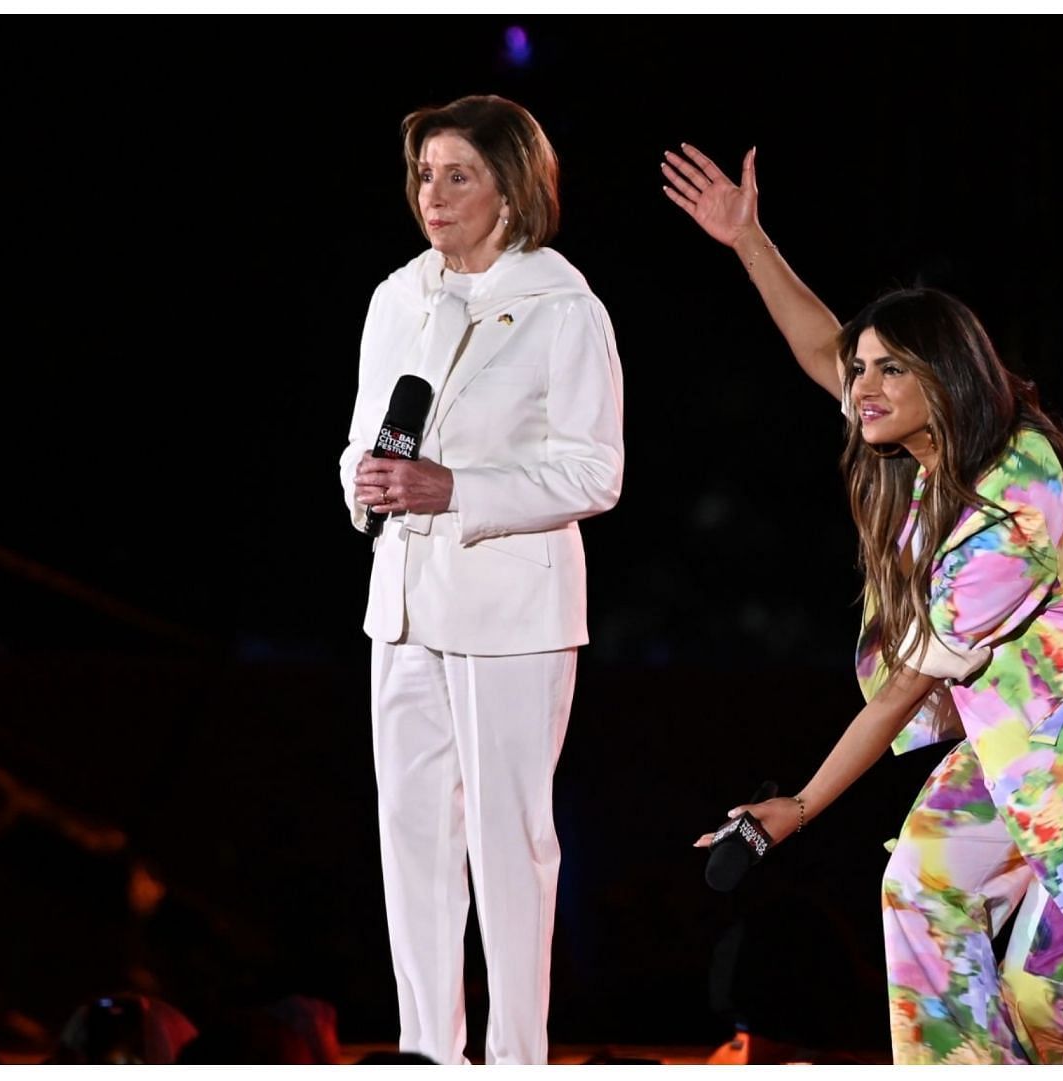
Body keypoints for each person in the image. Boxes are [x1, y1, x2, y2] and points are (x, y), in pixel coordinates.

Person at [669, 144, 1063, 1065]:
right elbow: (822, 346)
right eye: (865, 370)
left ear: (946, 380)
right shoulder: (934, 453)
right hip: (1024, 748)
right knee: (920, 886)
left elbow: (900, 689)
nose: (862, 388)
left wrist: (798, 807)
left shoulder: (1014, 507)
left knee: (1043, 1001)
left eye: (890, 371)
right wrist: (749, 240)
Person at [338, 96, 625, 1066]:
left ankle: (516, 1057)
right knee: (411, 836)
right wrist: (366, 481)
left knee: (509, 841)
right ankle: (429, 1050)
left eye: (457, 174)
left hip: (511, 608)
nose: (434, 194)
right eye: (424, 173)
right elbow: (362, 442)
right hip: (404, 602)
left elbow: (595, 471)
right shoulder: (397, 298)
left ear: (512, 186)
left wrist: (455, 487)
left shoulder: (562, 306)